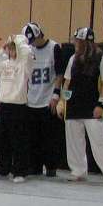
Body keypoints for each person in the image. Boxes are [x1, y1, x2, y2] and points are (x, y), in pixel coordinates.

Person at [58, 27, 103, 186]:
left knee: (100, 142)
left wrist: (101, 104)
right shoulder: (73, 58)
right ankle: (78, 171)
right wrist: (62, 101)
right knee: (74, 142)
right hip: (73, 106)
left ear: (86, 42)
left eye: (78, 41)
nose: (75, 43)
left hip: (92, 107)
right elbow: (67, 82)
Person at [0, 33, 33, 182]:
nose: (12, 51)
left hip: (18, 106)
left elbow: (27, 52)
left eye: (14, 48)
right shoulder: (5, 64)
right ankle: (2, 169)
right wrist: (1, 51)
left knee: (18, 140)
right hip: (4, 105)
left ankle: (19, 171)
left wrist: (17, 40)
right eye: (10, 49)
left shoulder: (25, 65)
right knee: (3, 139)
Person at [23, 22, 65, 177]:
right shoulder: (28, 50)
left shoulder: (54, 48)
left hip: (47, 99)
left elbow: (59, 73)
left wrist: (56, 95)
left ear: (39, 34)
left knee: (49, 137)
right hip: (32, 99)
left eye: (34, 39)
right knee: (33, 137)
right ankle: (35, 166)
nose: (32, 43)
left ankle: (51, 166)